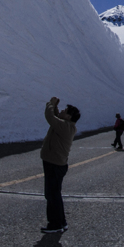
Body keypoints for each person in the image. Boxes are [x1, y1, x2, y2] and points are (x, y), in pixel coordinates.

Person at [40, 97, 79, 234]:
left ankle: (55, 224)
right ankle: (61, 222)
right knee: (55, 194)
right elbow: (56, 116)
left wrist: (50, 104)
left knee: (51, 195)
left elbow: (50, 117)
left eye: (65, 111)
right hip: (56, 164)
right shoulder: (67, 125)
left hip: (53, 164)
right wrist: (56, 107)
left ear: (68, 116)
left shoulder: (64, 126)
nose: (62, 111)